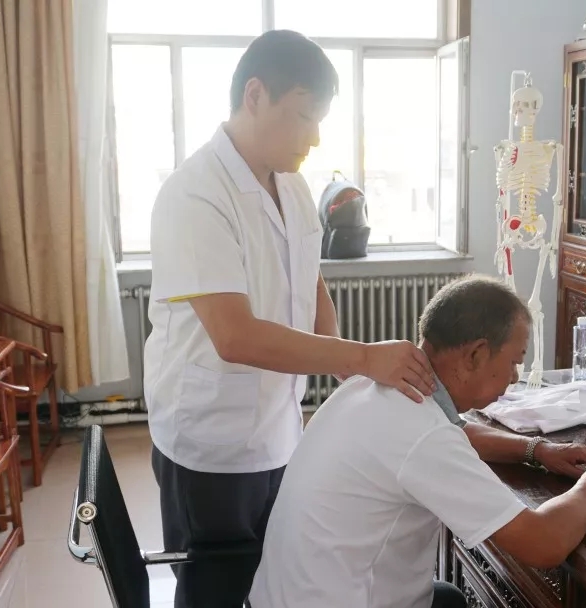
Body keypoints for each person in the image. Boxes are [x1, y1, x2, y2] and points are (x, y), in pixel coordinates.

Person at [144, 30, 437, 608]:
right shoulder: (195, 194)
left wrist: (346, 368)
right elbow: (235, 336)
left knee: (273, 577)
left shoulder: (295, 186)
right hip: (211, 441)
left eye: (320, 120)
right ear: (255, 95)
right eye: (304, 116)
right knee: (215, 589)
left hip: (280, 428)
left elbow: (310, 279)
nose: (315, 136)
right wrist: (362, 357)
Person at [248, 275, 586, 608]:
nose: (515, 376)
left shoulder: (376, 382)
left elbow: (453, 432)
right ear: (476, 354)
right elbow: (542, 543)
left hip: (282, 597)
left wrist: (537, 450)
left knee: (450, 597)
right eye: (515, 361)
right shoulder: (422, 433)